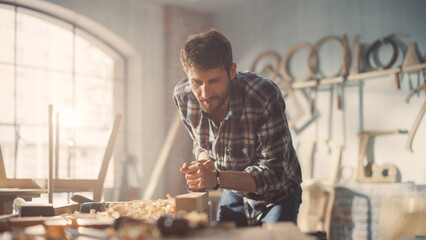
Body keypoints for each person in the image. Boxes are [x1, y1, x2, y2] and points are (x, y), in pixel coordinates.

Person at [174, 28, 302, 227]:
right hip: (233, 191)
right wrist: (203, 161)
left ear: (232, 71)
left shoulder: (263, 96)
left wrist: (215, 179)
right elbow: (200, 144)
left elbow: (274, 174)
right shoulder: (184, 97)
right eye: (196, 82)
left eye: (214, 81)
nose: (205, 93)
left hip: (277, 195)